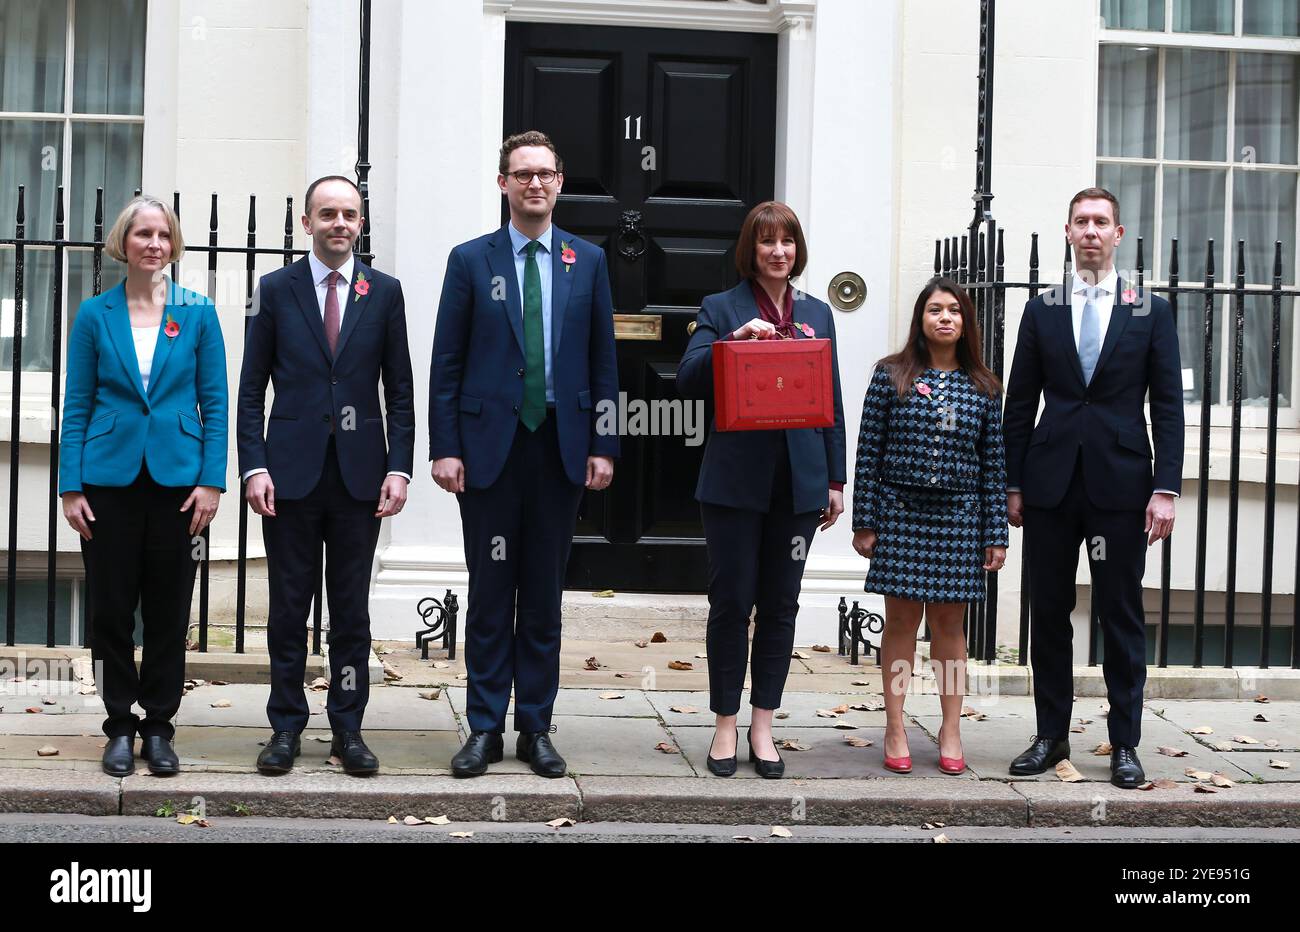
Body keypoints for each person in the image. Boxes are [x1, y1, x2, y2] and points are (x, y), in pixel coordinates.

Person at [430, 131, 619, 778]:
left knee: (541, 594)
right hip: (488, 452)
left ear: (560, 182)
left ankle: (535, 725)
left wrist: (605, 443)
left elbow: (603, 361)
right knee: (489, 593)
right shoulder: (470, 261)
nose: (534, 184)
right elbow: (446, 361)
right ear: (503, 184)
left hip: (560, 451)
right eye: (521, 174)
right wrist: (445, 447)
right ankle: (484, 726)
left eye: (544, 173)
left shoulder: (587, 261)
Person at [1003, 186, 1183, 789]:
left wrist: (1166, 489)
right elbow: (1020, 402)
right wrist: (1012, 482)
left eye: (1100, 222)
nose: (1090, 231)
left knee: (1120, 613)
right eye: (1081, 221)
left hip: (1122, 486)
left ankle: (1125, 743)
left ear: (1119, 234)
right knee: (1049, 613)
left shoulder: (1148, 310)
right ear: (1067, 232)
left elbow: (1169, 408)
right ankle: (1050, 737)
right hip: (1051, 487)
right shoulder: (1044, 308)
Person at [237, 175, 415, 776]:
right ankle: (285, 726)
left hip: (360, 478)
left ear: (361, 224)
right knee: (288, 609)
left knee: (351, 613)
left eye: (350, 214)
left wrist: (400, 467)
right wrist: (254, 465)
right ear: (307, 223)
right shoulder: (275, 289)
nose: (340, 223)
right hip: (288, 476)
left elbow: (402, 392)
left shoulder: (383, 292)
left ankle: (348, 728)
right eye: (328, 214)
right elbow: (249, 389)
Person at [677, 201, 846, 779]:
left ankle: (763, 725)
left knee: (781, 604)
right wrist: (733, 343)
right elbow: (688, 380)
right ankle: (725, 723)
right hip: (732, 483)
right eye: (768, 242)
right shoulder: (720, 308)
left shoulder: (819, 314)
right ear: (750, 249)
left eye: (788, 242)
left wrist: (834, 478)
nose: (779, 252)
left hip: (798, 485)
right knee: (731, 603)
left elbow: (832, 402)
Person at [59, 195, 227, 776]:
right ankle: (118, 725)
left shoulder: (198, 312)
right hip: (107, 482)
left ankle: (159, 725)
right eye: (142, 234)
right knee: (109, 611)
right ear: (123, 243)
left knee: (167, 610)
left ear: (174, 244)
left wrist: (211, 481)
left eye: (163, 234)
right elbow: (76, 403)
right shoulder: (95, 314)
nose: (153, 244)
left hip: (177, 484)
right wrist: (70, 486)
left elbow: (216, 402)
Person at [851, 277, 1007, 776]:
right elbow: (868, 452)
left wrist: (995, 532)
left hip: (959, 519)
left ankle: (951, 727)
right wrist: (866, 521)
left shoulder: (983, 386)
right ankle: (895, 724)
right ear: (920, 318)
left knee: (948, 625)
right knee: (899, 622)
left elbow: (993, 465)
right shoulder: (889, 376)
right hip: (900, 514)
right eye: (935, 309)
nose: (945, 317)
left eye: (954, 311)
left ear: (965, 324)